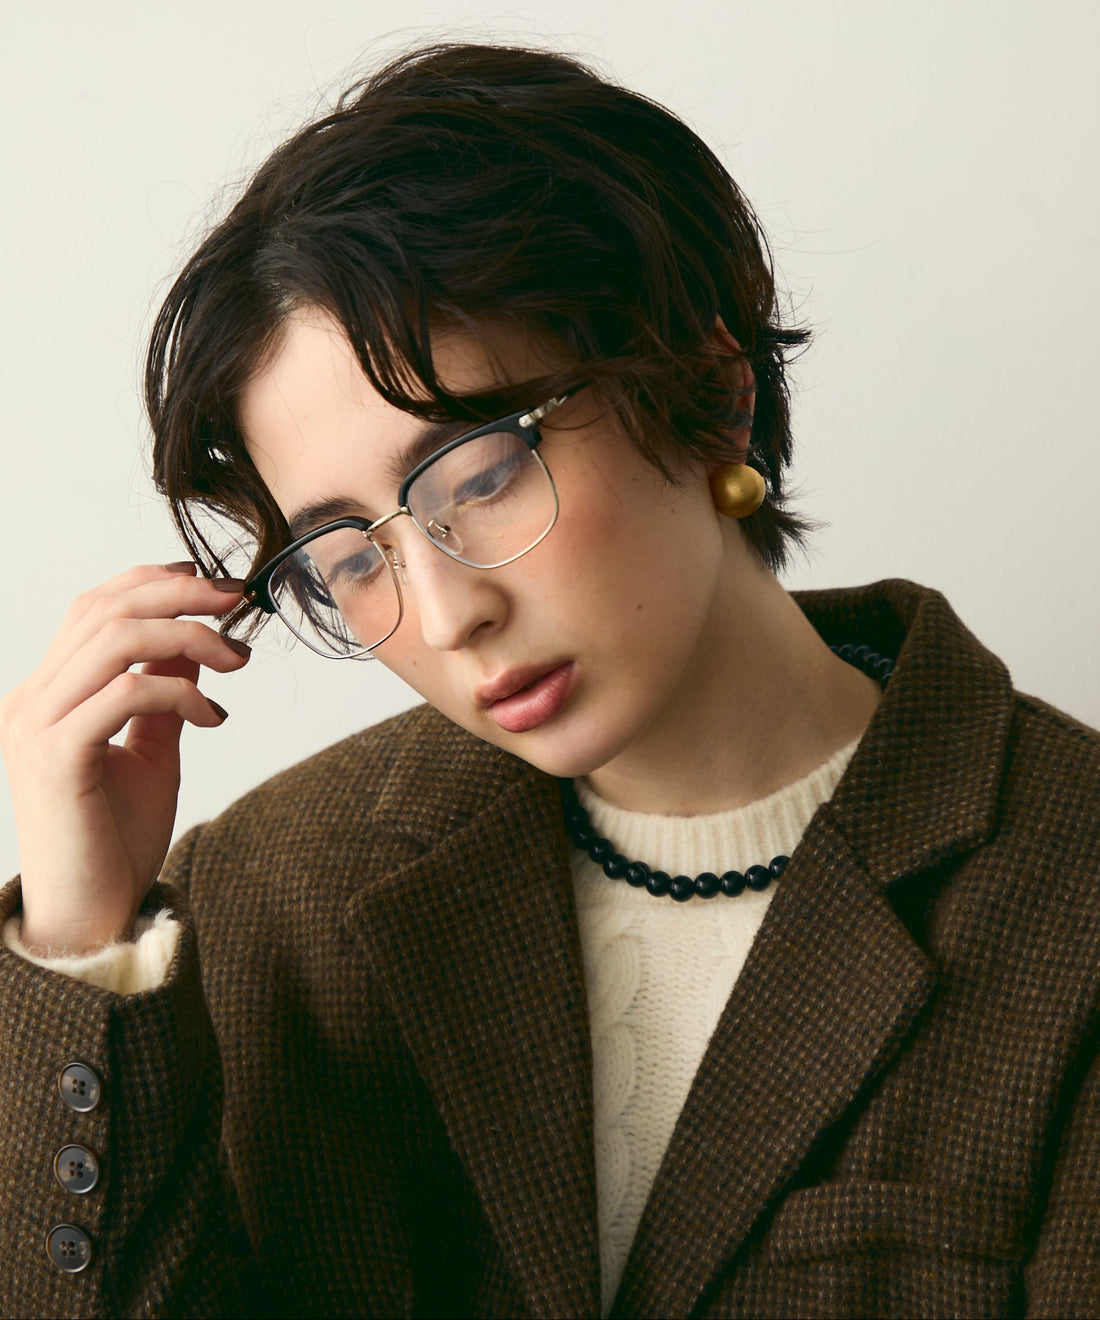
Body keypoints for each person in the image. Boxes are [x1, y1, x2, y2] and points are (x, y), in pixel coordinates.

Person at [1, 40, 1098, 1320]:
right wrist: (83, 937)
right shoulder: (269, 898)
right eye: (346, 554)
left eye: (479, 477)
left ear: (709, 394)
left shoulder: (1064, 888)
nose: (445, 612)